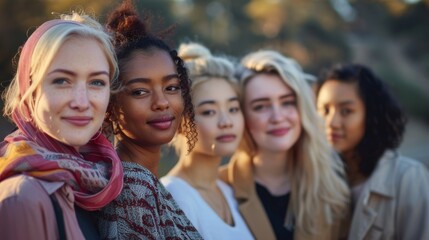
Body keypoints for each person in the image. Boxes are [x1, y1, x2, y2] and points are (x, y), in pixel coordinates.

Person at [0, 12, 123, 240]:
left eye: (96, 82)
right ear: (31, 90)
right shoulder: (22, 199)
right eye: (62, 81)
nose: (81, 102)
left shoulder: (108, 185)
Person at [97, 1, 202, 239]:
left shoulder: (146, 183)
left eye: (171, 87)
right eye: (140, 91)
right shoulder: (132, 188)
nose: (162, 102)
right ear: (110, 106)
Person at [219, 50, 349, 240]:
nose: (278, 117)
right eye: (261, 106)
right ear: (242, 116)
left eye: (287, 102)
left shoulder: (333, 189)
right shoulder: (219, 189)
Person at [316, 63, 429, 240]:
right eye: (324, 110)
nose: (332, 122)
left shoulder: (408, 178)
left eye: (346, 111)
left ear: (372, 114)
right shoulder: (314, 179)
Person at [160, 42, 254, 240]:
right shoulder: (173, 197)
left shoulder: (229, 191)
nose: (226, 122)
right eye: (209, 111)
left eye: (233, 109)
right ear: (180, 121)